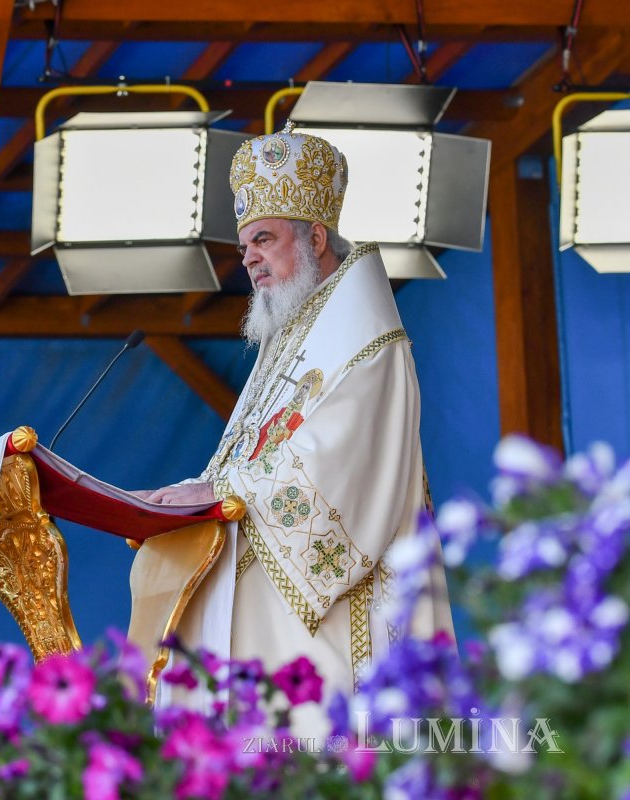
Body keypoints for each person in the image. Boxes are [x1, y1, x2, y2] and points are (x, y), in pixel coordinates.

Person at [146, 122, 453, 723]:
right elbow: (244, 457)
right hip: (270, 619)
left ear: (315, 237)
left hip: (343, 619)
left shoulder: (370, 338)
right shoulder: (289, 337)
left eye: (263, 239)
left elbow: (341, 463)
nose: (250, 260)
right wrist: (178, 503)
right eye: (243, 249)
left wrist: (224, 492)